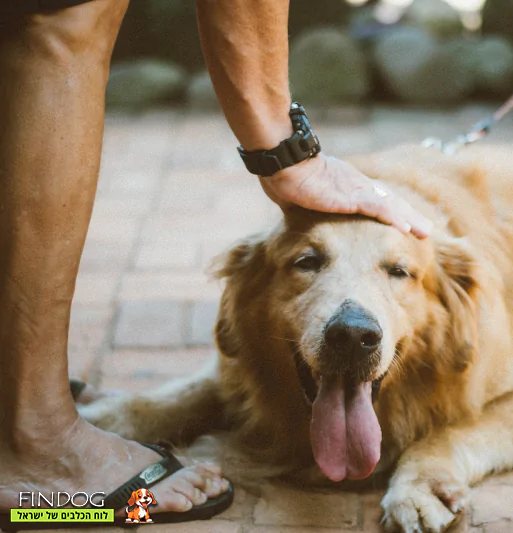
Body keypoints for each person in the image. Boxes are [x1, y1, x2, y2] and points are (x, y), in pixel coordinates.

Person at [0, 0, 432, 524]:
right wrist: (285, 153)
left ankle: (22, 408)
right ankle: (36, 467)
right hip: (53, 506)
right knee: (63, 22)